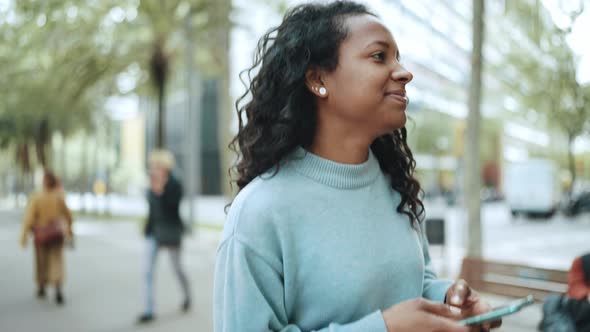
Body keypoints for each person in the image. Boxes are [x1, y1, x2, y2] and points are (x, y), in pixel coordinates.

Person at [214, 2, 500, 332]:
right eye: (379, 56)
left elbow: (415, 283)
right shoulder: (260, 211)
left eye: (398, 57)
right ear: (318, 78)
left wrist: (449, 302)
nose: (404, 72)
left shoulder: (396, 187)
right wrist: (385, 329)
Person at [137, 149, 191, 324]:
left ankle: (187, 295)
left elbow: (172, 208)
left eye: (157, 166)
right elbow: (152, 210)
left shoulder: (175, 185)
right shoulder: (151, 184)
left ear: (166, 167)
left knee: (177, 268)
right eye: (152, 166)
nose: (154, 169)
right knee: (147, 272)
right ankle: (149, 309)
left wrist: (160, 191)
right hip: (154, 232)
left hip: (171, 231)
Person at [20, 171, 73, 305]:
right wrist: (69, 232)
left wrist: (24, 236)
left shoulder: (37, 197)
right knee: (56, 261)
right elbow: (68, 215)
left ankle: (41, 287)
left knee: (41, 262)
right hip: (56, 235)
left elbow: (28, 218)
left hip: (41, 235)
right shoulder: (59, 196)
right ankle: (58, 287)